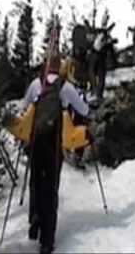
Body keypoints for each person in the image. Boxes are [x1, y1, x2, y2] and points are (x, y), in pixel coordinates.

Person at [21, 52, 91, 254]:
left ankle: (34, 216)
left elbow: (23, 108)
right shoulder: (65, 87)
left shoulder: (37, 84)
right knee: (50, 188)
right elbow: (84, 110)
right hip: (54, 143)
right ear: (59, 67)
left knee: (35, 180)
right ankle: (47, 241)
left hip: (36, 142)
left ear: (45, 66)